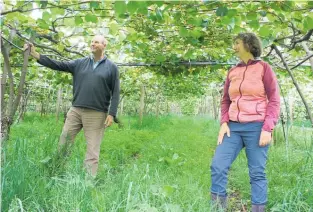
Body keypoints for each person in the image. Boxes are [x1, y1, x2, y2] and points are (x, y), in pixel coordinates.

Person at [24, 35, 120, 177]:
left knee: (92, 150)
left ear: (104, 45)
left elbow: (116, 92)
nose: (93, 44)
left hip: (97, 114)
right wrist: (36, 55)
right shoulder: (80, 63)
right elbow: (58, 64)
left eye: (96, 42)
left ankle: (88, 182)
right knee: (64, 142)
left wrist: (111, 113)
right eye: (91, 41)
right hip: (75, 110)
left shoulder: (111, 68)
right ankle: (57, 173)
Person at [210, 32, 280, 212]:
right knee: (218, 165)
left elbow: (274, 99)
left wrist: (268, 128)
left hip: (257, 127)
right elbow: (226, 100)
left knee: (257, 172)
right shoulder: (233, 71)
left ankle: (258, 209)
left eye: (237, 43)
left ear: (248, 45)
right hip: (233, 127)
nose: (234, 47)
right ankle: (218, 207)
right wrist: (224, 122)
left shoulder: (264, 68)